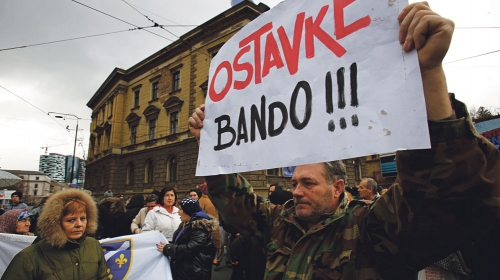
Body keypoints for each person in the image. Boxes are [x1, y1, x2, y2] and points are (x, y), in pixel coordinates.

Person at [187, 3, 500, 279]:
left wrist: (428, 75)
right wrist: (211, 145)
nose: (296, 191)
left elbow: (447, 197)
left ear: (338, 187)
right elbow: (237, 208)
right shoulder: (280, 223)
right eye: (295, 182)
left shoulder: (369, 229)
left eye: (308, 183)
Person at [1, 189, 109, 279]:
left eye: (83, 218)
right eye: (71, 220)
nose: (79, 225)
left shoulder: (94, 245)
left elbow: (103, 277)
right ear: (55, 222)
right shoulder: (30, 256)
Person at [156, 198, 217, 280]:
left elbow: (190, 248)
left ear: (188, 211)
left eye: (181, 209)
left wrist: (168, 248)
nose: (178, 212)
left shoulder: (199, 227)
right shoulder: (185, 224)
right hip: (186, 270)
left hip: (194, 273)